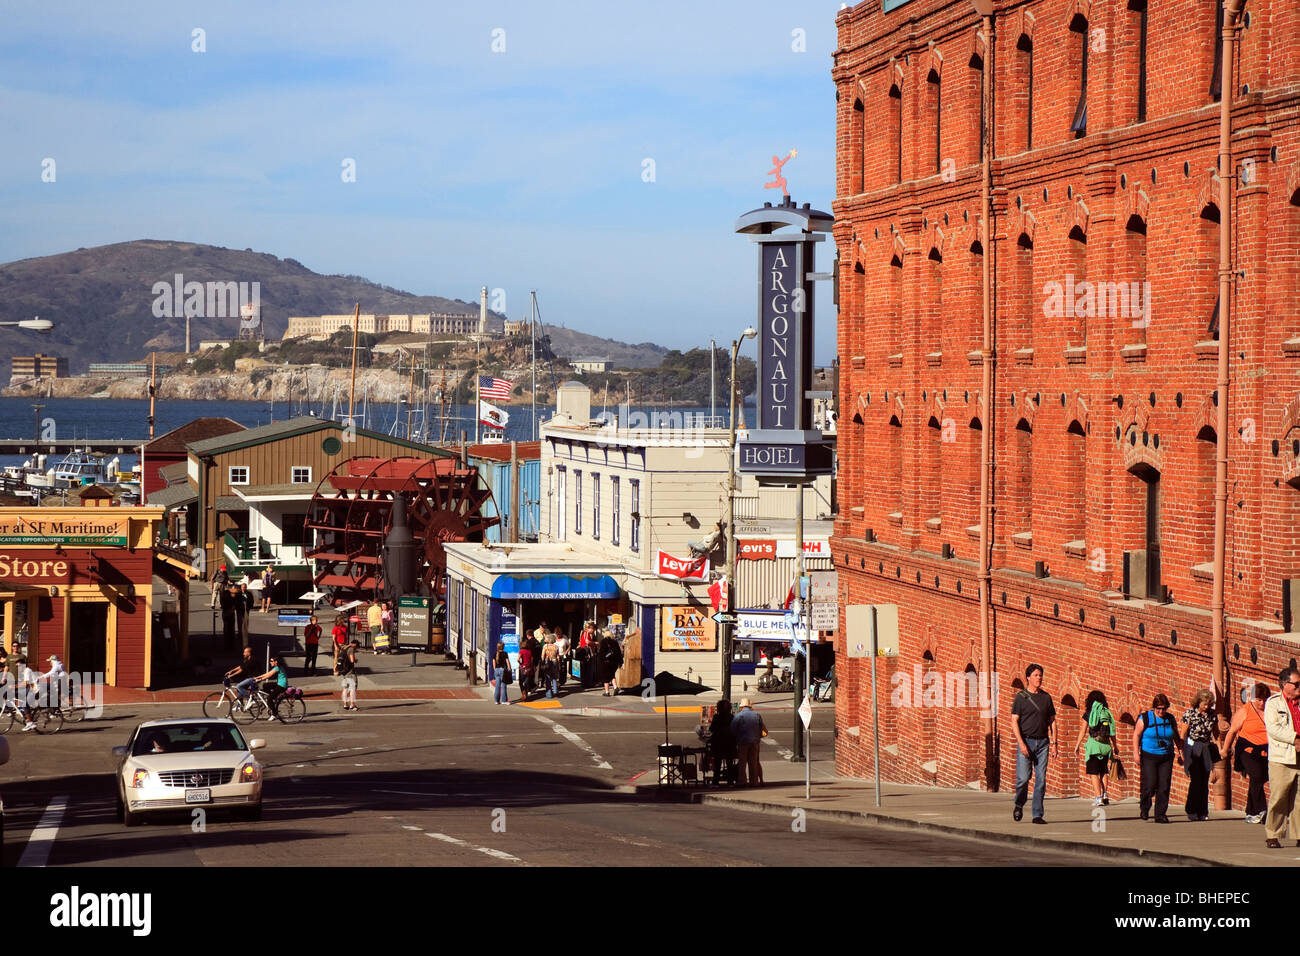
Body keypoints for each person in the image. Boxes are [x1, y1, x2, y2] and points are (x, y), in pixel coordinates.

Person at [1010, 663, 1057, 824]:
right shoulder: (1020, 698)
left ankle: (1037, 814)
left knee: (1041, 780)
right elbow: (1014, 721)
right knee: (1023, 778)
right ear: (1028, 677)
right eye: (1036, 675)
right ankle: (1019, 803)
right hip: (1026, 741)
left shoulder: (1046, 697)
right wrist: (1021, 743)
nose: (1039, 678)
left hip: (1043, 742)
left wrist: (1055, 743)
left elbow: (1052, 721)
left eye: (1041, 675)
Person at [1222, 681, 1271, 823]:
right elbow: (1231, 732)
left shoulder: (1270, 711)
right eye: (1259, 700)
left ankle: (1251, 812)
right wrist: (1225, 750)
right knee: (1256, 776)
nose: (1262, 703)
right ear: (1253, 698)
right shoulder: (1245, 711)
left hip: (1265, 751)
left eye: (1265, 700)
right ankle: (1262, 810)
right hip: (1247, 750)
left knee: (1260, 779)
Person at [1132, 693, 1184, 823]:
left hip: (1166, 755)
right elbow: (1136, 735)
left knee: (1164, 785)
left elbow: (1176, 737)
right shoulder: (1145, 718)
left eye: (1164, 708)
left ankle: (1160, 814)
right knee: (1150, 784)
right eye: (1158, 709)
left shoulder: (1170, 719)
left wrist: (1181, 752)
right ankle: (1145, 807)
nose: (1161, 711)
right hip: (1149, 754)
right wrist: (1135, 753)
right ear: (1154, 708)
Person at [1264, 667, 1300, 848]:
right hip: (1281, 757)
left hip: (1299, 758)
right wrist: (1295, 738)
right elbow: (1274, 729)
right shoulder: (1273, 703)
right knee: (1279, 797)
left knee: (1299, 799)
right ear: (1285, 685)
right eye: (1296, 684)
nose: (1299, 687)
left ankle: (1299, 834)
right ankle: (1273, 834)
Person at [1181, 689, 1219, 821]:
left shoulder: (1212, 715)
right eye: (1204, 704)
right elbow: (1183, 733)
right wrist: (1183, 752)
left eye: (1209, 704)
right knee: (1196, 780)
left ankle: (1203, 811)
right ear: (1199, 702)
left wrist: (1219, 747)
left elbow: (1215, 733)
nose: (1206, 707)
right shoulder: (1190, 714)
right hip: (1193, 748)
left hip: (1206, 749)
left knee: (1204, 781)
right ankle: (1191, 809)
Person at [1074, 689, 1117, 807]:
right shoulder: (1107, 712)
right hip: (1106, 746)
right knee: (1103, 771)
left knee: (1094, 773)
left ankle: (1098, 798)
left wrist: (1077, 745)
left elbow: (1082, 731)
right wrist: (1115, 746)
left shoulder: (1089, 713)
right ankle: (1105, 795)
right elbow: (1112, 732)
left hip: (1094, 746)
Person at [731, 698, 766, 786]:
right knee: (753, 762)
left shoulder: (739, 716)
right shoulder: (757, 715)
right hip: (755, 742)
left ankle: (742, 781)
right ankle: (754, 781)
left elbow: (733, 729)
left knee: (742, 762)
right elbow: (763, 728)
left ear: (742, 707)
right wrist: (758, 737)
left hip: (743, 741)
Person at [708, 699, 737, 784]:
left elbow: (711, 729)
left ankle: (715, 781)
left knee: (717, 763)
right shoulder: (731, 717)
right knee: (729, 763)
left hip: (718, 743)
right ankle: (730, 781)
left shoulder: (716, 717)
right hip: (729, 743)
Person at [255, 654, 290, 720]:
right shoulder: (277, 667)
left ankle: (275, 714)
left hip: (282, 686)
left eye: (271, 661)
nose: (270, 662)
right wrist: (257, 677)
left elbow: (269, 675)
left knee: (269, 699)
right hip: (279, 684)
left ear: (276, 662)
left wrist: (259, 679)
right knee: (265, 685)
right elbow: (267, 674)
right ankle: (272, 698)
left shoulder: (278, 668)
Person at [596, 628, 623, 697]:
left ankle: (607, 692)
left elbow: (601, 653)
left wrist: (600, 661)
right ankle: (615, 687)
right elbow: (619, 653)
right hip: (614, 663)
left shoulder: (603, 641)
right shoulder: (615, 642)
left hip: (606, 662)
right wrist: (620, 662)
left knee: (606, 677)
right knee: (612, 674)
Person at [14, 656, 38, 731]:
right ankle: (25, 712)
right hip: (32, 689)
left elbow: (26, 684)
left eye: (19, 666)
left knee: (25, 704)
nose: (18, 668)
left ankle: (30, 723)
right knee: (18, 694)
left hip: (36, 690)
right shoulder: (25, 671)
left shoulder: (27, 671)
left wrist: (14, 686)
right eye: (17, 667)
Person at [338, 640, 359, 712]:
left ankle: (345, 704)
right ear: (355, 645)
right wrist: (355, 660)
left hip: (344, 671)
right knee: (352, 687)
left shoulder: (344, 648)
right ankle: (352, 705)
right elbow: (352, 660)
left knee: (345, 688)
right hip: (350, 671)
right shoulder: (351, 649)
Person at [219, 583, 238, 650]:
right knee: (229, 628)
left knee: (228, 628)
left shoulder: (225, 594)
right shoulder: (227, 594)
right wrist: (231, 608)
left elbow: (222, 603)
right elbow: (231, 603)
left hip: (227, 612)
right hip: (228, 612)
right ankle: (229, 645)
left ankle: (227, 644)